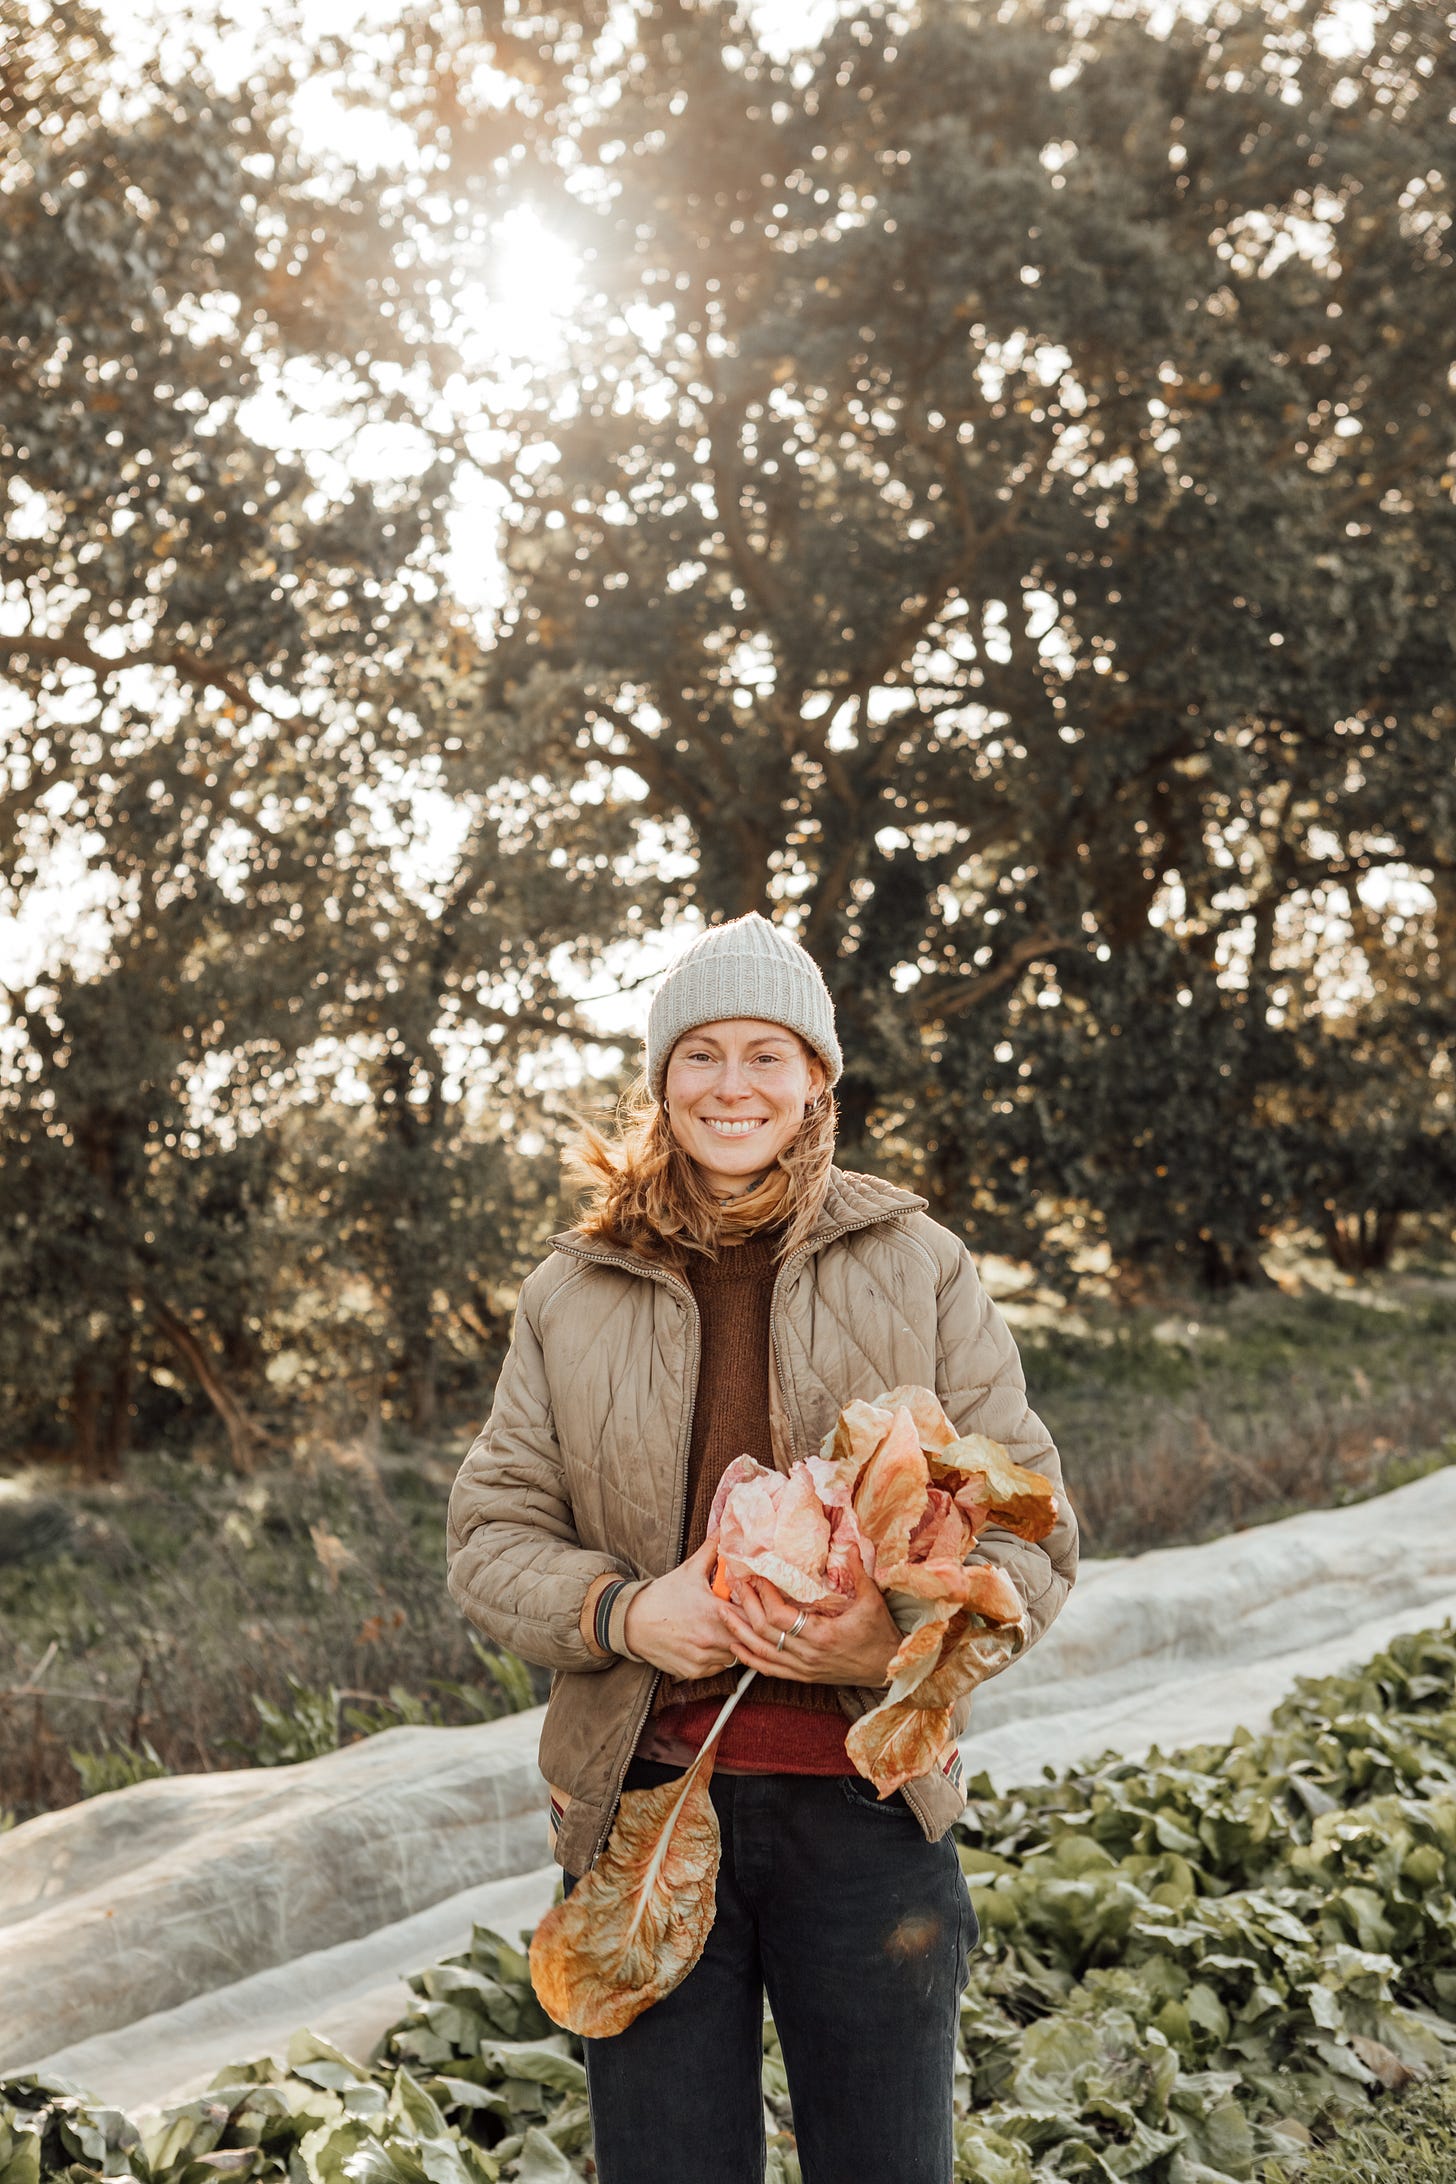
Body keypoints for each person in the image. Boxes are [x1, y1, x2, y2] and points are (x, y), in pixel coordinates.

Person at [446, 911, 1077, 2184]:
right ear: (662, 1079)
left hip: (867, 1813)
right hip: (644, 1807)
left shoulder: (917, 1262)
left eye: (768, 1056)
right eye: (702, 1055)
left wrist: (890, 1635)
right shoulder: (575, 1289)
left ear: (816, 1082)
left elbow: (1037, 1533)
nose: (733, 1086)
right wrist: (628, 1612)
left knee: (885, 2165)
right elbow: (488, 1537)